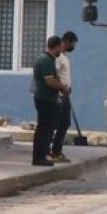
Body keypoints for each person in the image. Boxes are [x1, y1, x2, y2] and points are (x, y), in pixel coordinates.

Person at [31, 35, 68, 167]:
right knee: (45, 129)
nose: (61, 51)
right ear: (57, 46)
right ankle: (40, 157)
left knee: (45, 128)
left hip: (45, 98)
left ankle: (42, 155)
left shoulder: (47, 59)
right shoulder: (45, 60)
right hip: (45, 99)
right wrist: (63, 88)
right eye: (60, 48)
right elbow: (50, 81)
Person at [47, 30, 78, 163]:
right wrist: (61, 88)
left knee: (64, 123)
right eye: (72, 44)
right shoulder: (59, 57)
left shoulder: (64, 57)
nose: (73, 47)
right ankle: (50, 151)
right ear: (66, 42)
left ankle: (56, 151)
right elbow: (55, 73)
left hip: (65, 94)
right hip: (59, 95)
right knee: (56, 123)